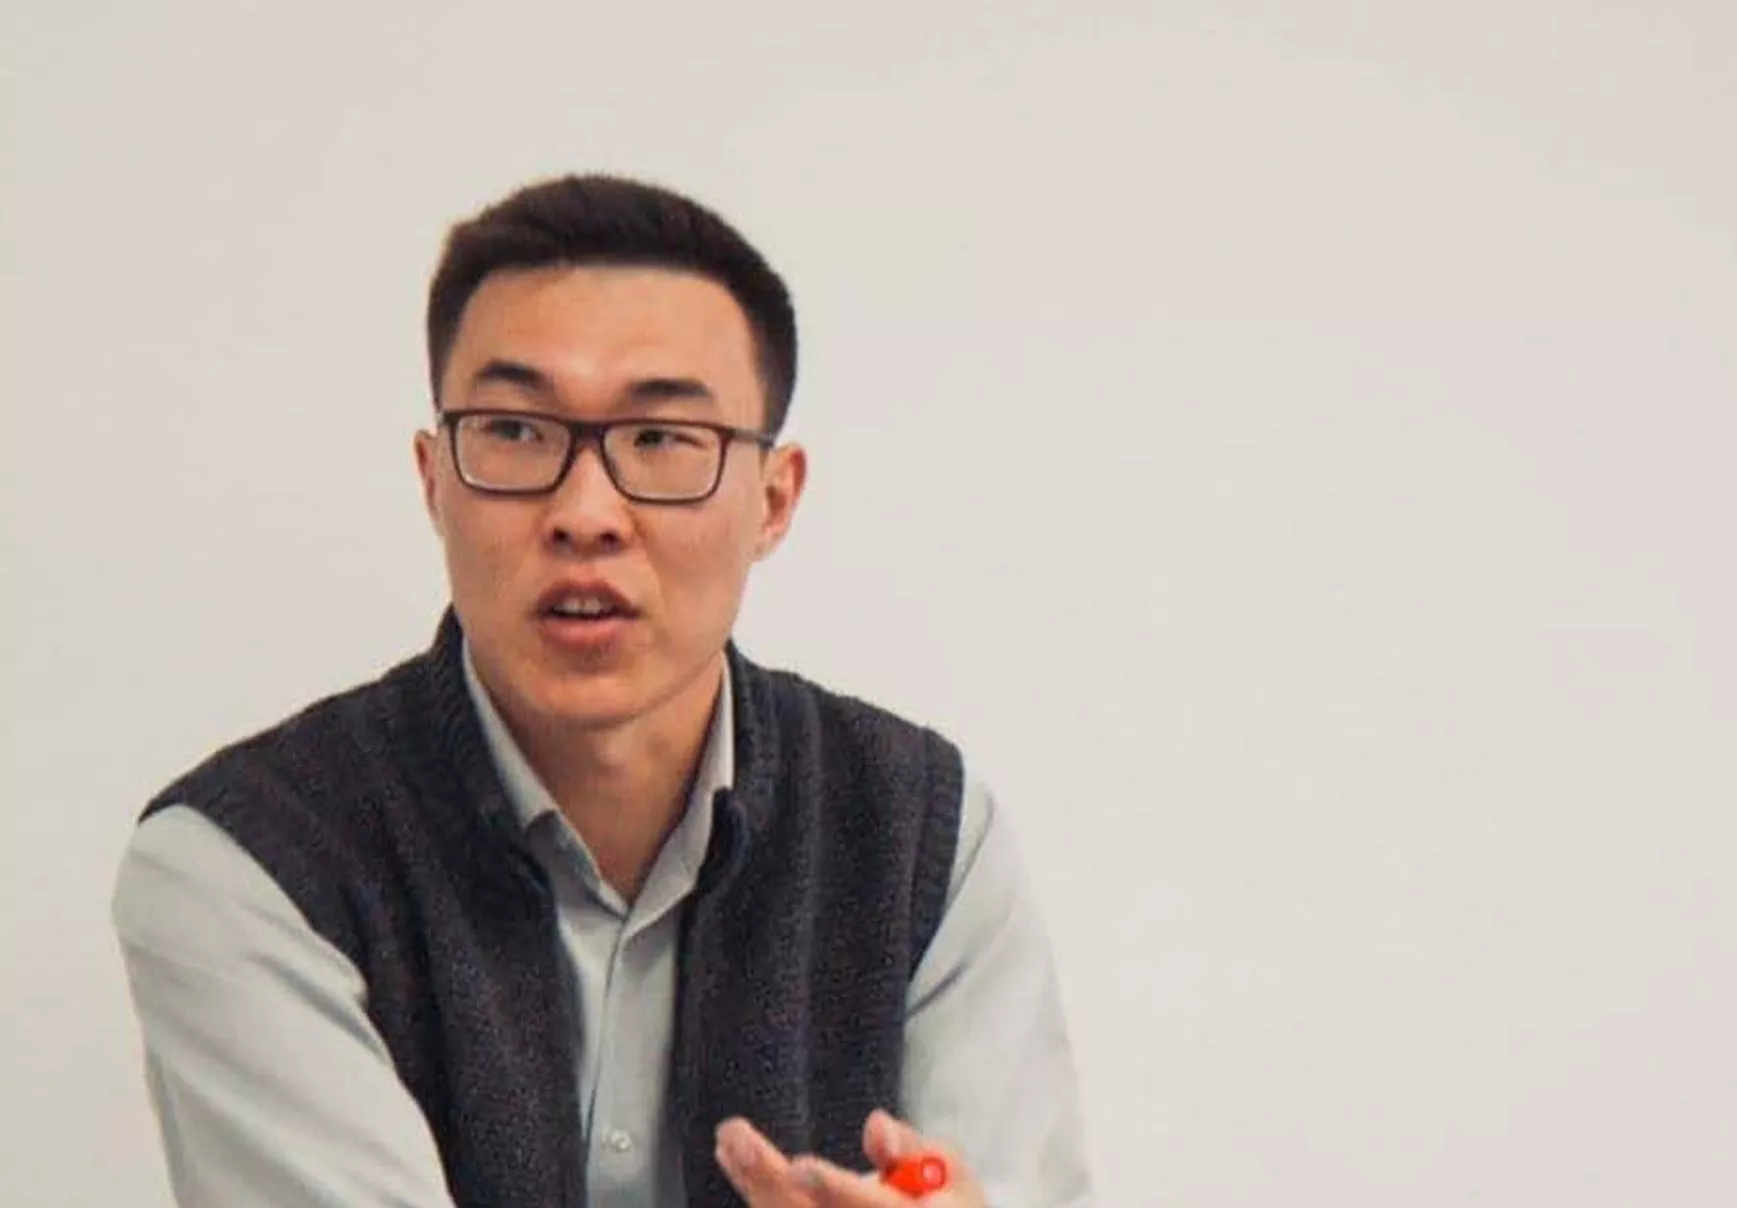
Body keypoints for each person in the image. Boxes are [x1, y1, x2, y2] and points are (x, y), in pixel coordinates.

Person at [111, 174, 1092, 1208]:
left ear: (774, 499)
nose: (587, 512)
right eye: (516, 431)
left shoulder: (925, 836)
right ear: (433, 479)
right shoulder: (246, 861)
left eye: (661, 440)